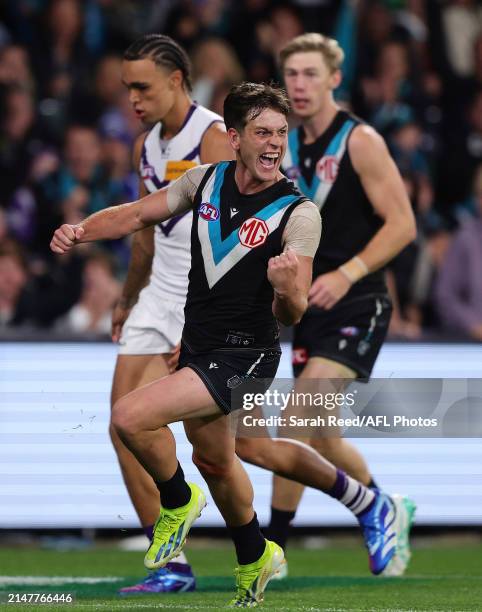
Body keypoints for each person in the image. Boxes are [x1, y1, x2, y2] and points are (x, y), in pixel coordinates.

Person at [51, 81, 404, 607]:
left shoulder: (299, 214)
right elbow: (136, 214)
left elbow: (294, 311)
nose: (273, 144)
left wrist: (288, 292)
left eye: (281, 134)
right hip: (199, 344)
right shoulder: (205, 181)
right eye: (262, 132)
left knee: (128, 417)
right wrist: (82, 230)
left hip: (248, 355)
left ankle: (175, 500)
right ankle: (253, 553)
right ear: (233, 137)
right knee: (218, 461)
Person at [258, 33, 417, 574]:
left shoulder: (360, 140)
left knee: (298, 412)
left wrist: (347, 275)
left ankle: (271, 549)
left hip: (359, 300)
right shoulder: (285, 145)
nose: (299, 85)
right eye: (291, 76)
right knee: (322, 434)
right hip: (310, 305)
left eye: (309, 74)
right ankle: (384, 507)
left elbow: (403, 225)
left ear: (333, 79)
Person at [108, 34, 233, 594]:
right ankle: (172, 565)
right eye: (127, 88)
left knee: (214, 452)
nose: (133, 98)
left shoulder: (212, 138)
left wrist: (204, 324)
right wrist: (127, 296)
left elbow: (234, 241)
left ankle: (255, 546)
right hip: (156, 295)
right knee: (122, 426)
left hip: (198, 299)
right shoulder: (149, 143)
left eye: (143, 87)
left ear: (177, 81)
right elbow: (143, 232)